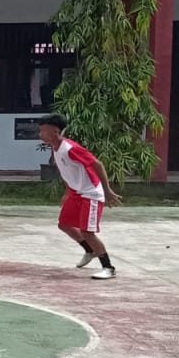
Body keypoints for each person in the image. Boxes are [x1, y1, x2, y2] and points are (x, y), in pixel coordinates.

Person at [37, 113, 123, 280]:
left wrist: (107, 190)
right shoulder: (55, 148)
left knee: (87, 231)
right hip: (76, 192)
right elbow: (69, 173)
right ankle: (89, 250)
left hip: (91, 194)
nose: (40, 134)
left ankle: (108, 268)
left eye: (43, 131)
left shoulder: (70, 148)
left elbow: (97, 164)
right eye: (39, 131)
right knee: (64, 224)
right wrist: (67, 192)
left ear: (55, 131)